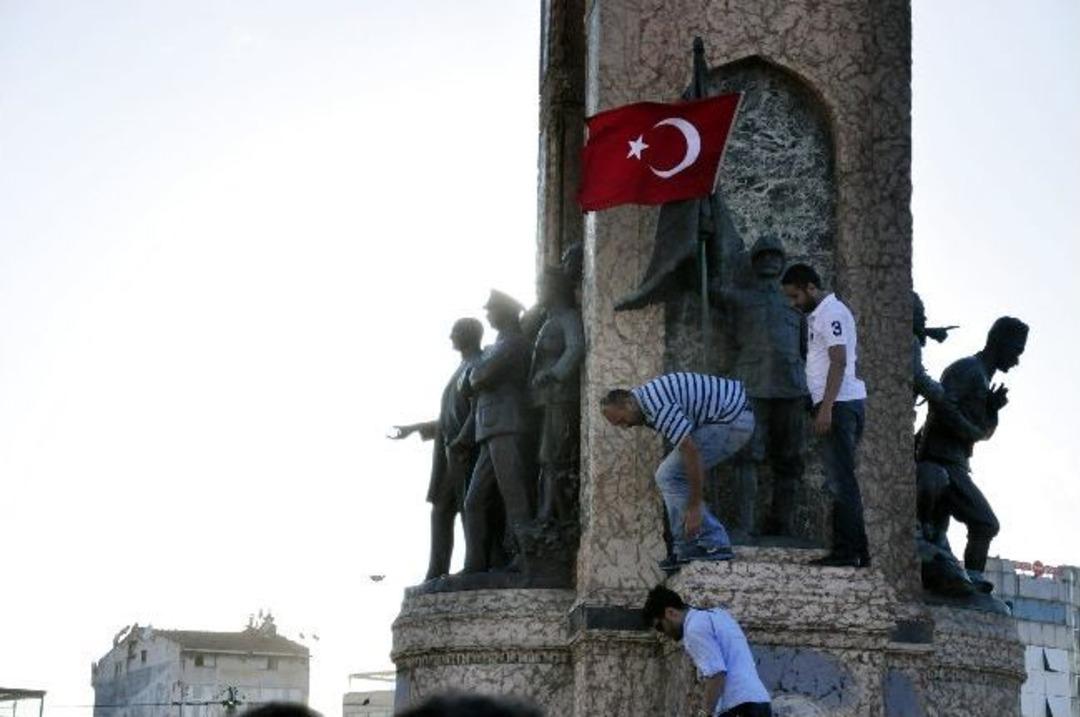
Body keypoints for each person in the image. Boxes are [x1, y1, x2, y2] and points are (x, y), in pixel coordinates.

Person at [917, 316, 1028, 592]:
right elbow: (941, 406)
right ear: (999, 343)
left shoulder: (983, 377)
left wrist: (991, 410)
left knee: (973, 527)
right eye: (1016, 352)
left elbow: (984, 433)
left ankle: (972, 580)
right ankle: (973, 578)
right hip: (940, 460)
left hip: (958, 462)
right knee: (985, 523)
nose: (1016, 362)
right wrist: (972, 431)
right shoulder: (968, 369)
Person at [710, 235, 808, 539]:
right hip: (751, 385)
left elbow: (807, 349)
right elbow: (708, 287)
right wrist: (704, 239)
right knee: (746, 456)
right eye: (763, 256)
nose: (769, 260)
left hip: (791, 387)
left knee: (790, 460)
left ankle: (784, 526)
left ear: (782, 263)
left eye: (774, 256)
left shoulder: (796, 304)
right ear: (754, 263)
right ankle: (745, 525)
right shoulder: (739, 297)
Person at [600, 372, 754, 567]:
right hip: (732, 415)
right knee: (668, 475)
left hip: (734, 419)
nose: (625, 427)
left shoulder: (657, 407)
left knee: (669, 476)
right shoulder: (645, 400)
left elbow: (692, 453)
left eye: (622, 420)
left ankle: (714, 543)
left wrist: (695, 506)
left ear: (628, 403)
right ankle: (685, 547)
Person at [780, 263, 869, 567]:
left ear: (810, 288)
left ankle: (849, 553)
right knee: (840, 481)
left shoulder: (831, 313)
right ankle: (855, 551)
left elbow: (839, 360)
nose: (794, 304)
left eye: (795, 297)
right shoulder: (819, 315)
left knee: (842, 482)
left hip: (840, 405)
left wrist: (827, 408)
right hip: (838, 404)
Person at [390, 318, 484, 581]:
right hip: (448, 455)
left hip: (467, 452)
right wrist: (415, 428)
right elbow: (448, 417)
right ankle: (436, 569)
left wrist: (464, 440)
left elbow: (479, 411)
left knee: (469, 509)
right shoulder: (463, 366)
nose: (450, 336)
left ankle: (474, 564)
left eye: (455, 332)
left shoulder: (478, 365)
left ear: (468, 335)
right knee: (441, 509)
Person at [461, 290, 536, 573]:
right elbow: (475, 378)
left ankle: (527, 557)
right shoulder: (498, 345)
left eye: (491, 311)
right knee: (473, 501)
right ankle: (475, 564)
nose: (488, 316)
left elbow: (478, 376)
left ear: (504, 313)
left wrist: (475, 373)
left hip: (508, 426)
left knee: (515, 497)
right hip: (491, 429)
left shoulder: (514, 343)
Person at [643, 585, 771, 717]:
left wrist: (704, 713)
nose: (663, 633)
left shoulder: (694, 628)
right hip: (760, 702)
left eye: (660, 626)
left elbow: (716, 673)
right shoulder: (718, 615)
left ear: (670, 612)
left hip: (739, 706)